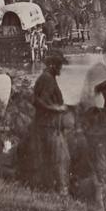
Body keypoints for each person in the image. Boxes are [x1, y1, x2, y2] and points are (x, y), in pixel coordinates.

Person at [32, 53, 70, 195]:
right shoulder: (47, 79)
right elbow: (38, 101)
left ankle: (51, 189)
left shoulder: (47, 77)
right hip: (48, 126)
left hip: (47, 125)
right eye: (59, 65)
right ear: (53, 65)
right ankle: (57, 191)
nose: (61, 68)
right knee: (58, 158)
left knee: (52, 158)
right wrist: (56, 108)